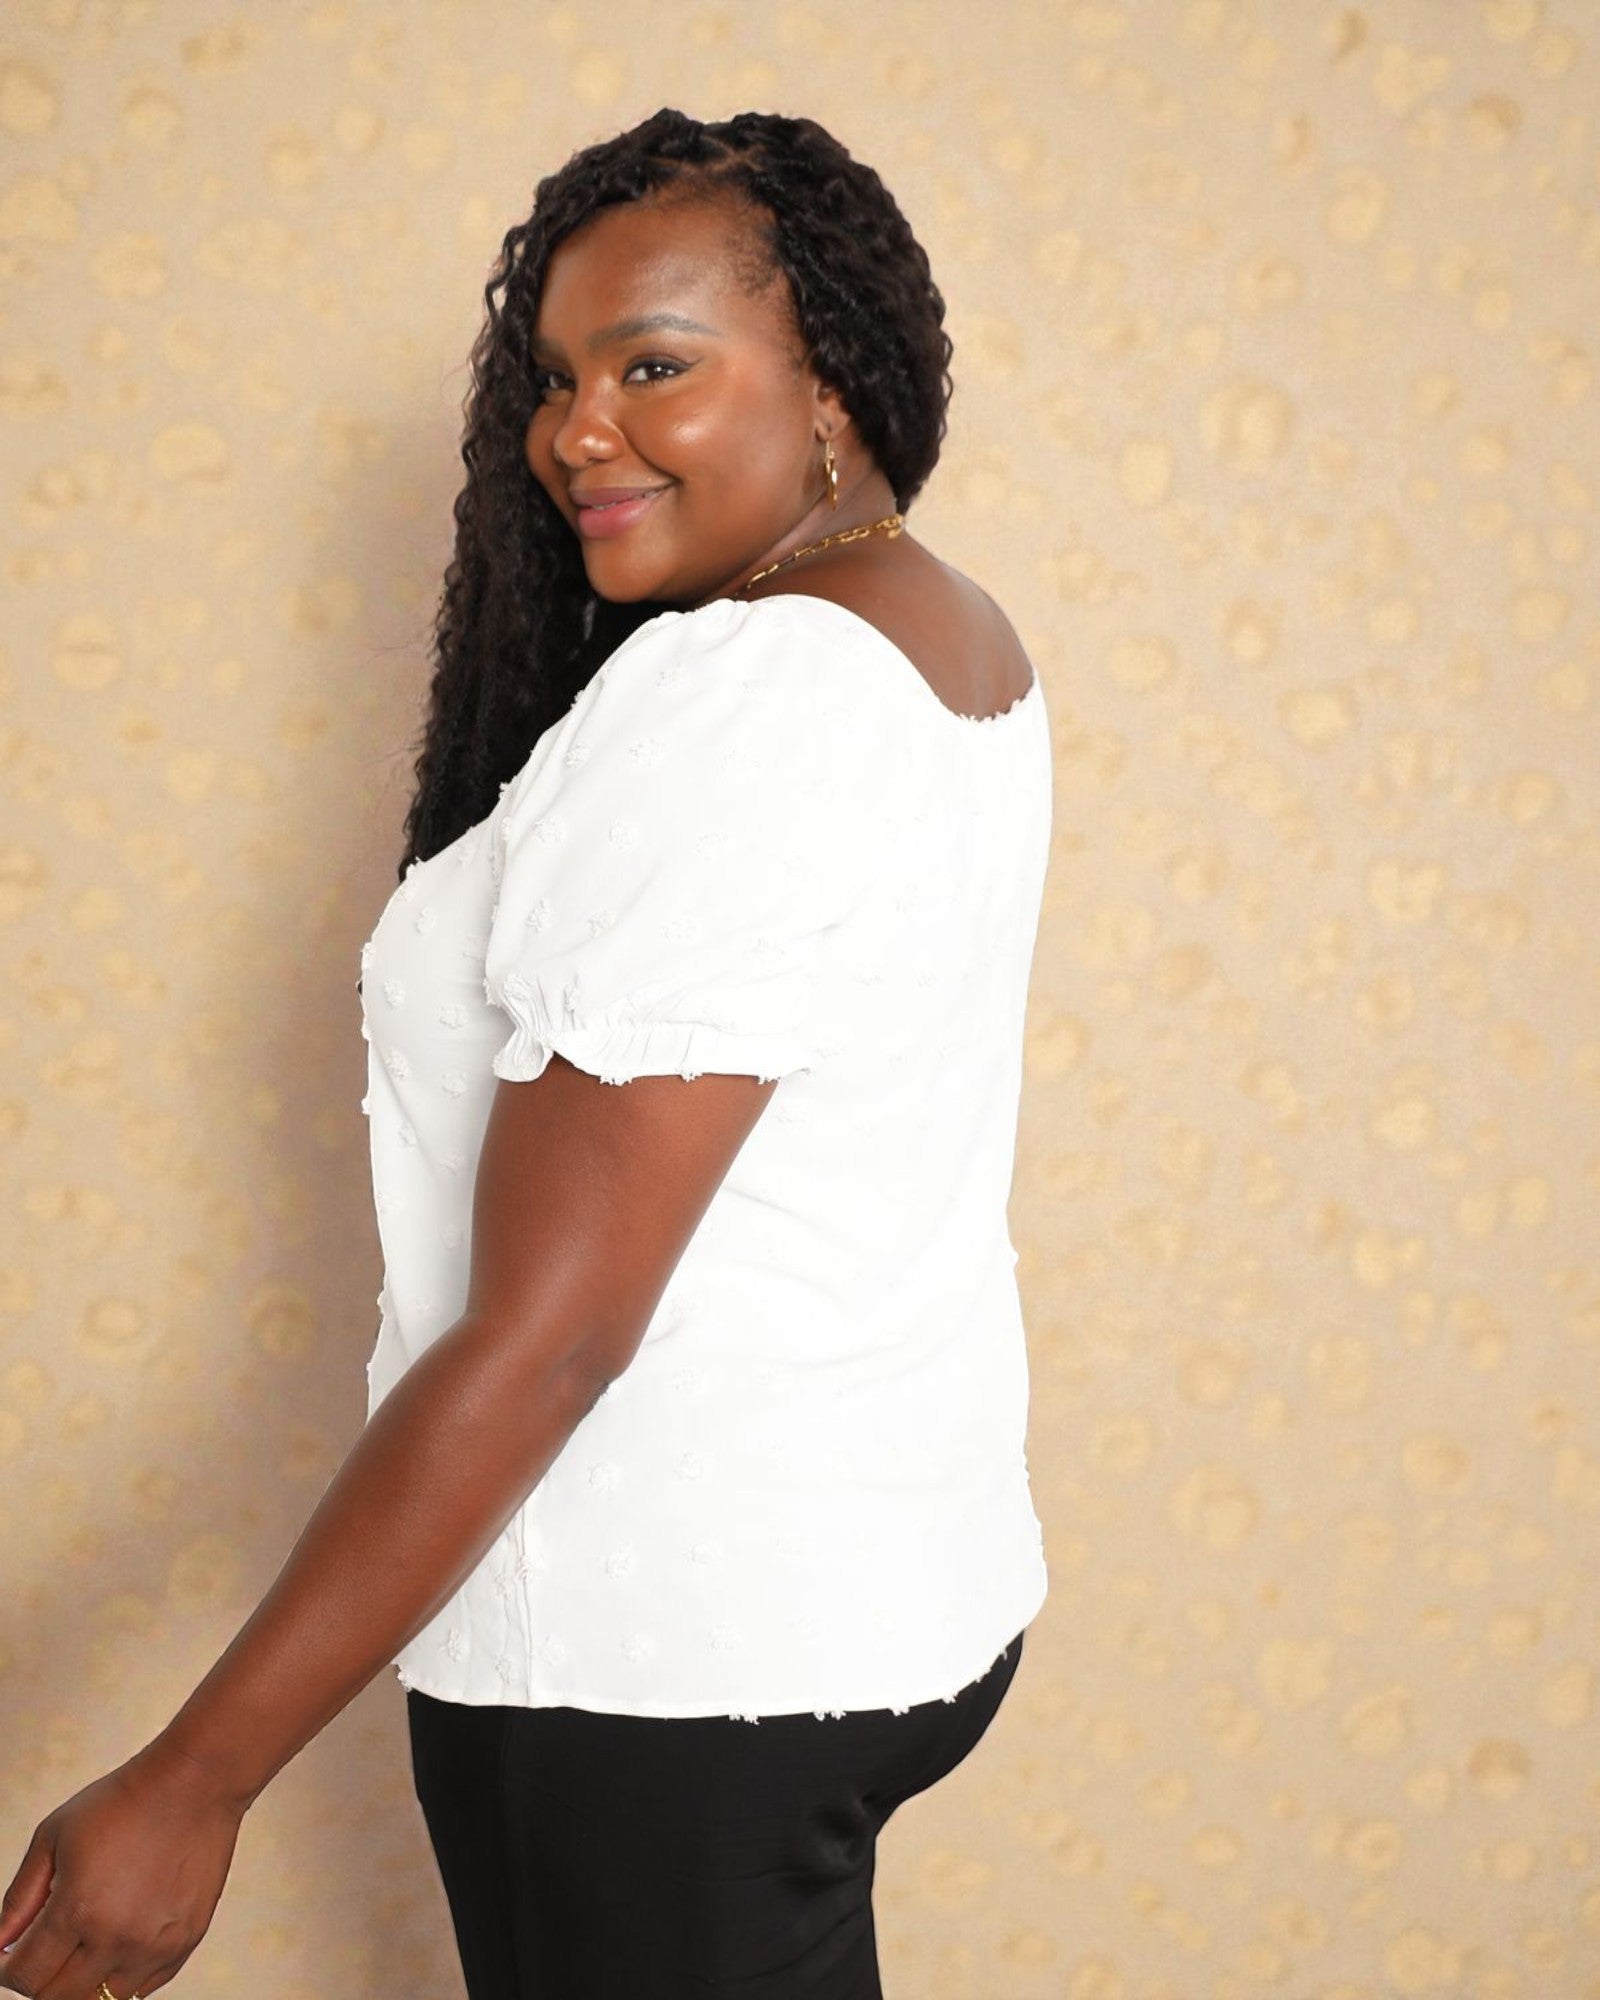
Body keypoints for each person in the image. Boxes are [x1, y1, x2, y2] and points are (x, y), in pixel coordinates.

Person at [0, 107, 1050, 2000]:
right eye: (559, 377)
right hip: (868, 1587)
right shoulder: (930, 626)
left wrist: (196, 1779)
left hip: (662, 1662)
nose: (579, 430)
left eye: (657, 366)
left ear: (834, 383)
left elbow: (558, 1325)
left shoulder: (738, 693)